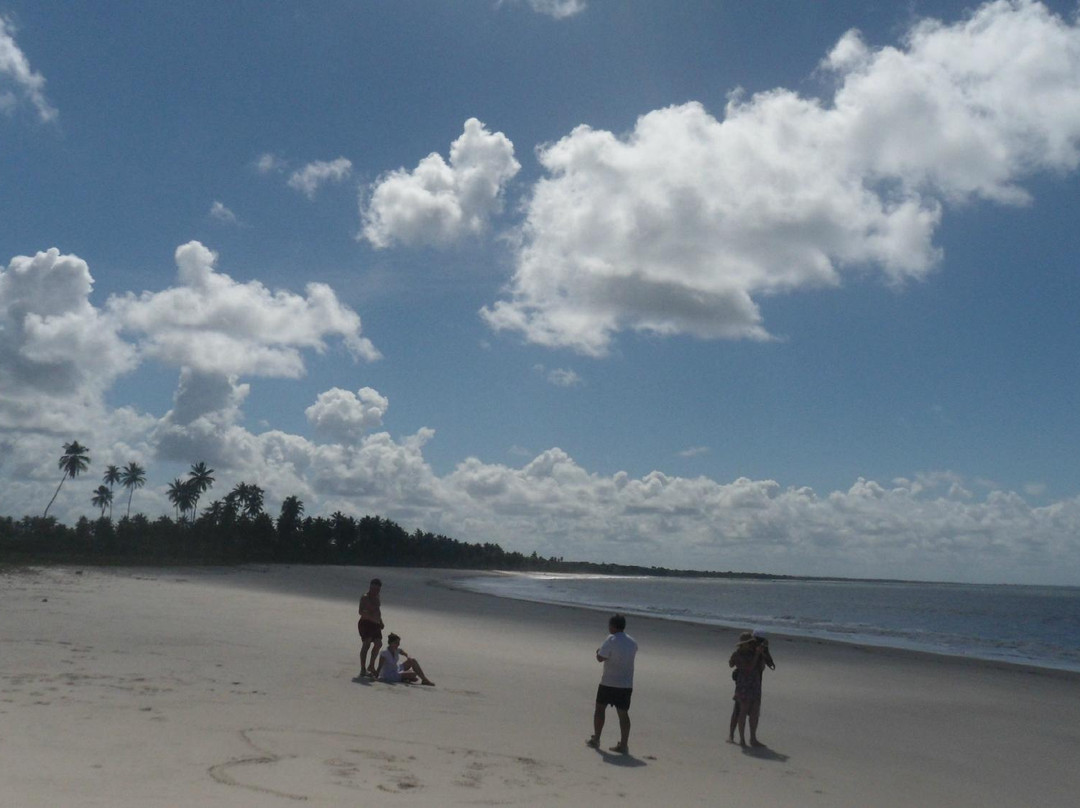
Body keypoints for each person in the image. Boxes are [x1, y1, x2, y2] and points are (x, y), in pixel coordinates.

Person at [586, 614, 638, 754]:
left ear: (613, 626)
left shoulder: (611, 639)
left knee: (600, 709)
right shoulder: (633, 642)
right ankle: (624, 744)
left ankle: (596, 738)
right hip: (625, 684)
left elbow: (600, 658)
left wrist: (598, 651)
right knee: (623, 714)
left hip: (609, 682)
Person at [728, 630, 773, 747]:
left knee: (754, 713)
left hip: (754, 684)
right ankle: (738, 738)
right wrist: (757, 654)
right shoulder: (739, 654)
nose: (751, 644)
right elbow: (748, 668)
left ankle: (752, 738)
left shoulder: (754, 651)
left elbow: (763, 666)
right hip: (744, 686)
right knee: (740, 711)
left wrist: (762, 653)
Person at [358, 578, 384, 678]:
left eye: (378, 589)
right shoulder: (365, 597)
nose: (375, 591)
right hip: (366, 623)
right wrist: (371, 617)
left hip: (375, 624)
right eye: (374, 589)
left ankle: (371, 665)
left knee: (378, 643)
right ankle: (363, 669)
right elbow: (360, 611)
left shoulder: (377, 597)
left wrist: (380, 621)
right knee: (367, 644)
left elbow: (378, 610)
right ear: (370, 587)